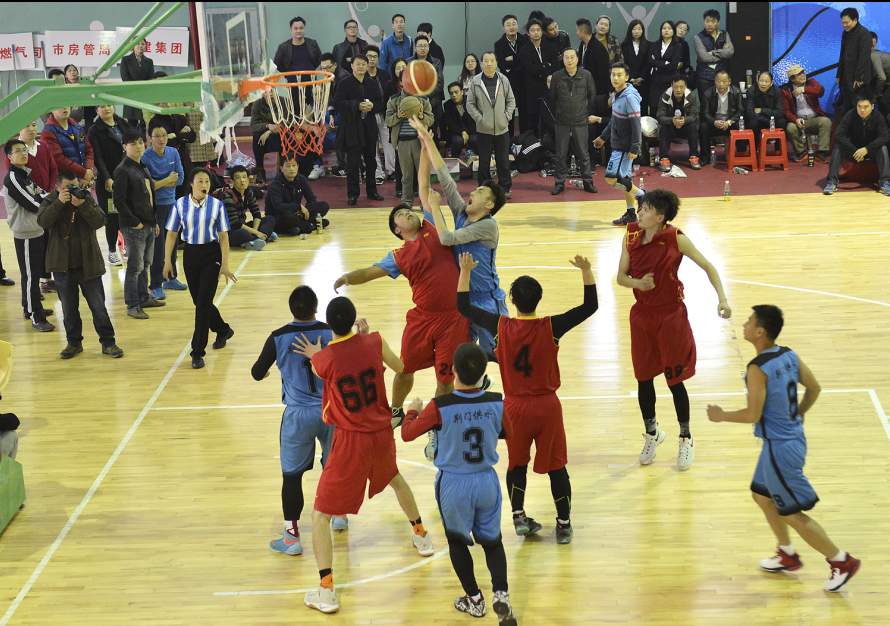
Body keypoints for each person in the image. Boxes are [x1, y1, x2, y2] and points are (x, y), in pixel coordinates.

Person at [292, 296, 435, 615]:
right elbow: (402, 368)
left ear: (330, 325)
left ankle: (327, 590)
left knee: (320, 515)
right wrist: (365, 338)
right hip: (381, 434)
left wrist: (315, 352)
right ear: (355, 319)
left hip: (350, 442)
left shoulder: (324, 359)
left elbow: (321, 365)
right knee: (396, 479)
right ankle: (421, 536)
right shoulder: (374, 341)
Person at [706, 305, 861, 592]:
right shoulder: (788, 354)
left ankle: (841, 561)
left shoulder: (757, 368)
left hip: (780, 449)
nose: (744, 324)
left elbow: (753, 414)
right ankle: (787, 554)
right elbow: (814, 388)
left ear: (760, 332)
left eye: (749, 321)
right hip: (787, 440)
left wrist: (721, 415)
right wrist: (799, 413)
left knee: (790, 512)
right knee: (761, 496)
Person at [456, 251, 598, 544]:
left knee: (517, 464)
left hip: (514, 408)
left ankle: (519, 516)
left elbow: (463, 306)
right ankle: (563, 524)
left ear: (512, 300)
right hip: (547, 407)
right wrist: (586, 271)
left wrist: (466, 271)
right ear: (539, 299)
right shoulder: (551, 326)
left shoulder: (500, 326)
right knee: (557, 467)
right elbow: (590, 306)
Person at [332, 160, 470, 426]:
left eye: (409, 211)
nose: (408, 213)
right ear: (397, 230)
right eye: (402, 215)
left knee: (446, 378)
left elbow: (423, 184)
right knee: (405, 367)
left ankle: (436, 424)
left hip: (453, 319)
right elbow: (369, 272)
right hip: (423, 319)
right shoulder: (398, 256)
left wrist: (425, 149)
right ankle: (396, 411)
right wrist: (347, 277)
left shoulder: (432, 225)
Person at [401, 343, 518, 625]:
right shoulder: (496, 401)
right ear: (483, 372)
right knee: (493, 542)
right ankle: (501, 594)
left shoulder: (440, 406)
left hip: (454, 484)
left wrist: (412, 411)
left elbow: (407, 434)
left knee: (456, 541)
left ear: (453, 370)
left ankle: (475, 599)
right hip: (486, 481)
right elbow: (509, 432)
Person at [617, 189, 731, 470]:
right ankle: (652, 433)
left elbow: (708, 266)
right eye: (640, 208)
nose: (639, 212)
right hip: (642, 317)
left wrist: (722, 299)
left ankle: (686, 437)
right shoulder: (630, 236)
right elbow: (620, 277)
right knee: (643, 378)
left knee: (674, 380)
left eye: (645, 209)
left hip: (671, 317)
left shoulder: (676, 238)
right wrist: (637, 284)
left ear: (660, 216)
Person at [251, 286, 348, 555]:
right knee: (334, 465)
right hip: (331, 410)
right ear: (316, 307)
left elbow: (257, 372)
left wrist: (269, 372)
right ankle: (339, 514)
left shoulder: (278, 337)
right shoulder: (331, 332)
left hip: (297, 416)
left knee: (292, 476)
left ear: (292, 309)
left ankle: (292, 538)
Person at [412, 117, 508, 360]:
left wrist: (435, 206)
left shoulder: (488, 227)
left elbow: (446, 238)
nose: (472, 191)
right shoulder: (463, 212)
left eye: (480, 191)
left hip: (488, 300)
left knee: (500, 355)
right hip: (464, 299)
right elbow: (445, 176)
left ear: (489, 204)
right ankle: (477, 381)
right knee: (464, 356)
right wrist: (427, 140)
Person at [38, 170, 123, 359]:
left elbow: (100, 221)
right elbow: (43, 222)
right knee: (68, 309)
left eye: (75, 186)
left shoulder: (85, 198)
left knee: (98, 307)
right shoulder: (50, 200)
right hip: (62, 266)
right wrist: (60, 203)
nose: (73, 190)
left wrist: (82, 205)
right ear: (57, 187)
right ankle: (73, 343)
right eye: (68, 188)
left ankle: (108, 343)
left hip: (88, 263)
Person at [162, 168, 235, 370]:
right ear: (191, 184)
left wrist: (225, 264)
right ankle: (223, 329)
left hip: (212, 254)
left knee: (202, 305)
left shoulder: (217, 205)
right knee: (200, 301)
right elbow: (171, 234)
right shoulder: (180, 204)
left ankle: (197, 352)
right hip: (191, 255)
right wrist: (167, 261)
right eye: (200, 181)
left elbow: (224, 237)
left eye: (207, 181)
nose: (204, 185)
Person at [113, 130, 165, 320]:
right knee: (135, 267)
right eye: (133, 143)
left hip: (148, 224)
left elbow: (150, 196)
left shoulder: (142, 166)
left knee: (146, 264)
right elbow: (119, 202)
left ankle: (144, 297)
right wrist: (135, 223)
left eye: (140, 142)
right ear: (124, 147)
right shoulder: (122, 170)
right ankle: (132, 304)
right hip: (134, 227)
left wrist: (154, 221)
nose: (138, 146)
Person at [3, 139, 54, 332]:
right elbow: (33, 204)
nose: (23, 153)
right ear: (9, 156)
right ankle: (36, 316)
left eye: (24, 150)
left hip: (36, 229)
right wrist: (48, 203)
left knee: (32, 274)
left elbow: (41, 194)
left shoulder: (25, 175)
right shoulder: (13, 178)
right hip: (26, 234)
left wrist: (45, 199)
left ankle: (29, 307)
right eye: (18, 151)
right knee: (31, 276)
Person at [594, 63, 647, 226]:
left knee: (612, 178)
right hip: (618, 143)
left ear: (627, 77)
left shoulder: (630, 97)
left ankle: (642, 195)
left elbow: (636, 124)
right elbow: (614, 120)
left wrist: (635, 147)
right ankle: (631, 213)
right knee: (625, 180)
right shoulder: (617, 94)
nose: (615, 78)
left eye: (619, 75)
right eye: (613, 75)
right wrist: (603, 137)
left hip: (625, 146)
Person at [142, 122, 185, 301]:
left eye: (164, 135)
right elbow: (148, 187)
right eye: (157, 136)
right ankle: (156, 284)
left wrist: (160, 182)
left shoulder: (173, 152)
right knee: (158, 248)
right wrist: (167, 180)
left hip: (172, 204)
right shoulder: (145, 157)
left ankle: (170, 278)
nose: (161, 139)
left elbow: (180, 179)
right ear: (150, 138)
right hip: (155, 206)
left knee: (172, 243)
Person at [335, 54, 385, 206]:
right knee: (353, 163)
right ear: (352, 66)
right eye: (358, 64)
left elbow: (380, 103)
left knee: (371, 161)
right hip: (352, 127)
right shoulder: (344, 83)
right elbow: (338, 103)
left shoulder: (372, 83)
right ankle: (352, 194)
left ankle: (372, 191)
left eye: (364, 64)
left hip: (369, 126)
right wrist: (357, 105)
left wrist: (372, 106)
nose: (361, 67)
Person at [466, 52, 515, 198]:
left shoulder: (503, 79)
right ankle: (484, 188)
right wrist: (480, 119)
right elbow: (470, 104)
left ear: (496, 62)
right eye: (486, 61)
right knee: (484, 162)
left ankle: (505, 188)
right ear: (481, 64)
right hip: (483, 129)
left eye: (492, 60)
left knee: (503, 161)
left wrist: (506, 117)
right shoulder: (475, 81)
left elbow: (511, 100)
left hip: (502, 128)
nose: (489, 63)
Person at [549, 48, 598, 194]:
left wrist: (585, 113)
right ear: (562, 59)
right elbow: (552, 98)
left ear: (577, 59)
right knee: (560, 154)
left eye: (572, 57)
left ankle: (588, 182)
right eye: (566, 57)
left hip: (581, 121)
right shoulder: (557, 76)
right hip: (562, 122)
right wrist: (559, 113)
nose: (569, 60)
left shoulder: (586, 75)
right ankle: (559, 183)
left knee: (583, 153)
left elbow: (592, 96)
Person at [88, 106, 130, 266]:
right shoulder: (94, 130)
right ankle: (112, 251)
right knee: (112, 217)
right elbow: (98, 157)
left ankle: (126, 247)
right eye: (102, 106)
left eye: (108, 105)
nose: (106, 108)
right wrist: (107, 177)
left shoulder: (122, 123)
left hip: (127, 177)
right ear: (97, 110)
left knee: (128, 214)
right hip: (109, 181)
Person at [823, 96, 890, 195]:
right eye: (859, 106)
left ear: (872, 107)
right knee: (838, 147)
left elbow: (884, 136)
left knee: (883, 148)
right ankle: (832, 181)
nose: (862, 110)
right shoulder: (850, 115)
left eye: (866, 107)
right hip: (853, 150)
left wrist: (866, 149)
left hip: (870, 151)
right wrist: (854, 150)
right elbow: (839, 135)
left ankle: (885, 182)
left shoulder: (878, 116)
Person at [385, 76, 435, 204]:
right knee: (406, 175)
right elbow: (388, 121)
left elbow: (431, 120)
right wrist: (397, 116)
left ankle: (426, 202)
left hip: (419, 141)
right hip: (402, 142)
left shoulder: (424, 99)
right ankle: (407, 200)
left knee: (423, 174)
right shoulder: (394, 100)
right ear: (401, 82)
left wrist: (422, 116)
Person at [215, 165, 276, 250]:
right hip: (228, 231)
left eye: (244, 177)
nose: (242, 180)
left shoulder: (249, 192)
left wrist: (255, 231)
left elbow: (256, 214)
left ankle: (254, 239)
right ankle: (261, 236)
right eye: (238, 178)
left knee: (270, 219)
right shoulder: (227, 195)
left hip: (242, 226)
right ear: (232, 181)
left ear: (248, 179)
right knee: (242, 233)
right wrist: (256, 232)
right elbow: (235, 224)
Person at [265, 156, 330, 235]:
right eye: (288, 166)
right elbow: (278, 207)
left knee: (324, 206)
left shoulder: (301, 179)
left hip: (297, 213)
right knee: (289, 217)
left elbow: (311, 199)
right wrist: (298, 207)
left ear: (298, 167)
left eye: (294, 165)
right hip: (280, 216)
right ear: (281, 168)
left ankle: (300, 226)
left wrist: (307, 211)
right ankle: (310, 225)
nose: (291, 169)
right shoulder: (275, 184)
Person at [781, 65, 832, 161]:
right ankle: (801, 152)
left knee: (826, 121)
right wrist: (795, 120)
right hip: (799, 121)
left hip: (813, 120)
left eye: (802, 73)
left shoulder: (811, 82)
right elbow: (786, 111)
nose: (802, 75)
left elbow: (820, 91)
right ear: (792, 79)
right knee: (790, 127)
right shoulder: (786, 90)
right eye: (798, 74)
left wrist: (804, 89)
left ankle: (822, 153)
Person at [40, 106, 95, 192]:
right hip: (64, 183)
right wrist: (83, 173)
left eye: (66, 104)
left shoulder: (76, 126)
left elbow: (89, 150)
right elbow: (59, 159)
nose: (65, 108)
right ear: (51, 109)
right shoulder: (48, 132)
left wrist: (88, 169)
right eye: (60, 105)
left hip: (84, 179)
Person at [146, 107, 195, 198]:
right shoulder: (155, 121)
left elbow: (192, 137)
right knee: (169, 190)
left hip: (183, 159)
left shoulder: (180, 118)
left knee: (185, 190)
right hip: (165, 161)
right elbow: (163, 142)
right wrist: (180, 136)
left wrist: (175, 135)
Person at [656, 75, 701, 171]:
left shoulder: (691, 96)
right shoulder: (665, 96)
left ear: (685, 87)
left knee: (693, 125)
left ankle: (694, 156)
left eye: (681, 87)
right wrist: (672, 120)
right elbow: (660, 116)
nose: (678, 90)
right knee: (664, 126)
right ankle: (664, 158)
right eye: (676, 87)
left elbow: (695, 115)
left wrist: (684, 120)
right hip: (671, 127)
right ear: (672, 86)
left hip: (685, 127)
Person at [517, 19, 555, 136]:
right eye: (532, 30)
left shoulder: (550, 47)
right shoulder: (524, 50)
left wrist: (542, 68)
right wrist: (546, 66)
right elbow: (532, 69)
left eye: (538, 30)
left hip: (548, 88)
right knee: (533, 119)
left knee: (548, 118)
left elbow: (555, 66)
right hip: (531, 90)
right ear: (528, 33)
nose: (536, 33)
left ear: (542, 31)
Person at [365, 46, 394, 185]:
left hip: (384, 114)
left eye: (374, 56)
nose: (371, 59)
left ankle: (392, 171)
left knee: (388, 142)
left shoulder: (384, 75)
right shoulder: (361, 75)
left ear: (378, 59)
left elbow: (389, 95)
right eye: (369, 56)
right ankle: (378, 173)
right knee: (372, 145)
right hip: (367, 115)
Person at [701, 70, 743, 165]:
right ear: (715, 81)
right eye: (718, 81)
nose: (721, 84)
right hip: (715, 122)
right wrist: (714, 122)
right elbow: (705, 113)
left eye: (724, 81)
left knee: (739, 125)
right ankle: (705, 157)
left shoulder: (736, 92)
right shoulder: (707, 93)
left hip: (729, 122)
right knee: (703, 127)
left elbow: (740, 111)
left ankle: (739, 154)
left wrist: (729, 122)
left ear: (729, 81)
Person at [494, 15, 527, 134]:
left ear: (517, 25)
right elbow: (502, 65)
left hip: (525, 82)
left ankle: (525, 138)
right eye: (508, 25)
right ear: (504, 28)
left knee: (525, 111)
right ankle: (510, 139)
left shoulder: (525, 40)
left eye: (514, 24)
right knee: (509, 111)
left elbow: (527, 61)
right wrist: (519, 61)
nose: (511, 27)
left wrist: (512, 59)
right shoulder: (499, 44)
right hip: (509, 83)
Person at [837, 7, 873, 116]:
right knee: (846, 106)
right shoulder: (845, 33)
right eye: (842, 23)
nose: (844, 25)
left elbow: (864, 58)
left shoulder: (864, 34)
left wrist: (858, 78)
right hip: (845, 77)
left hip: (858, 80)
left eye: (847, 22)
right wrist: (839, 74)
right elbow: (842, 54)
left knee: (859, 109)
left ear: (855, 20)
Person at [694, 9, 734, 97]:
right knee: (705, 102)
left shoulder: (724, 34)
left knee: (722, 102)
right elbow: (704, 57)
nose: (709, 24)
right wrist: (722, 54)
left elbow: (730, 52)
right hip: (704, 77)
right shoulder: (698, 37)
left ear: (718, 22)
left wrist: (712, 52)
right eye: (707, 21)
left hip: (722, 75)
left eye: (713, 21)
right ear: (704, 22)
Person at [648, 21, 684, 116]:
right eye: (664, 28)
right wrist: (665, 63)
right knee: (654, 107)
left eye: (669, 28)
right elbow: (650, 61)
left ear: (673, 31)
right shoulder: (654, 45)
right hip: (656, 81)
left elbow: (673, 66)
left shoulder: (678, 46)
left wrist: (657, 63)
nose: (666, 30)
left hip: (670, 80)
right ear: (661, 31)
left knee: (668, 108)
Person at [410, 35, 445, 128]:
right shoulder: (409, 62)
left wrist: (424, 96)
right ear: (415, 48)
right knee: (416, 131)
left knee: (432, 131)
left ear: (429, 47)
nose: (423, 48)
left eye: (425, 46)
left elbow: (439, 83)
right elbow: (407, 83)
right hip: (414, 103)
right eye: (420, 46)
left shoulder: (436, 62)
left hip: (433, 103)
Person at [745, 71, 787, 147]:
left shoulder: (777, 91)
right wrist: (766, 118)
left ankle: (778, 149)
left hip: (772, 119)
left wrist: (762, 110)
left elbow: (780, 112)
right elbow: (749, 112)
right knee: (752, 123)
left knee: (782, 122)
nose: (763, 84)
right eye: (761, 81)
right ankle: (755, 148)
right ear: (757, 81)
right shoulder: (751, 90)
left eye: (766, 81)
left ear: (771, 83)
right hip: (759, 119)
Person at [119, 40, 154, 131]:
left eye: (143, 44)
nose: (140, 46)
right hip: (131, 95)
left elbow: (151, 79)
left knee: (144, 122)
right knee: (131, 125)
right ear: (133, 46)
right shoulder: (125, 60)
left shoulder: (149, 61)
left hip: (144, 95)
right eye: (137, 44)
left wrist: (143, 90)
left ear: (146, 46)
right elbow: (125, 78)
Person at [19, 120, 57, 197]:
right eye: (26, 126)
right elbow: (18, 178)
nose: (31, 129)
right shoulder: (14, 151)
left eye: (34, 125)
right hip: (31, 197)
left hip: (49, 193)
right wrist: (38, 194)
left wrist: (51, 189)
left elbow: (53, 168)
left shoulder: (43, 145)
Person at [622, 19, 651, 116]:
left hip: (644, 82)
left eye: (639, 29)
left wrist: (641, 77)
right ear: (630, 30)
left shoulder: (648, 45)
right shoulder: (624, 45)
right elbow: (624, 63)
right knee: (629, 109)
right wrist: (631, 78)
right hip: (628, 82)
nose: (636, 31)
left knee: (643, 108)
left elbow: (648, 63)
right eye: (634, 29)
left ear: (643, 31)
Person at [442, 82, 477, 157]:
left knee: (475, 139)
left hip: (471, 130)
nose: (454, 95)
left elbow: (474, 121)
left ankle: (475, 159)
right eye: (451, 93)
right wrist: (462, 131)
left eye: (456, 92)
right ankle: (454, 159)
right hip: (456, 132)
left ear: (462, 92)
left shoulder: (470, 102)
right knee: (457, 141)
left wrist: (466, 132)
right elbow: (451, 123)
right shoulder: (447, 105)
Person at [870, 31, 890, 110]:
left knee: (883, 103)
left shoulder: (873, 56)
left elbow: (882, 78)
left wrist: (876, 95)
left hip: (886, 82)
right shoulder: (878, 53)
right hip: (887, 82)